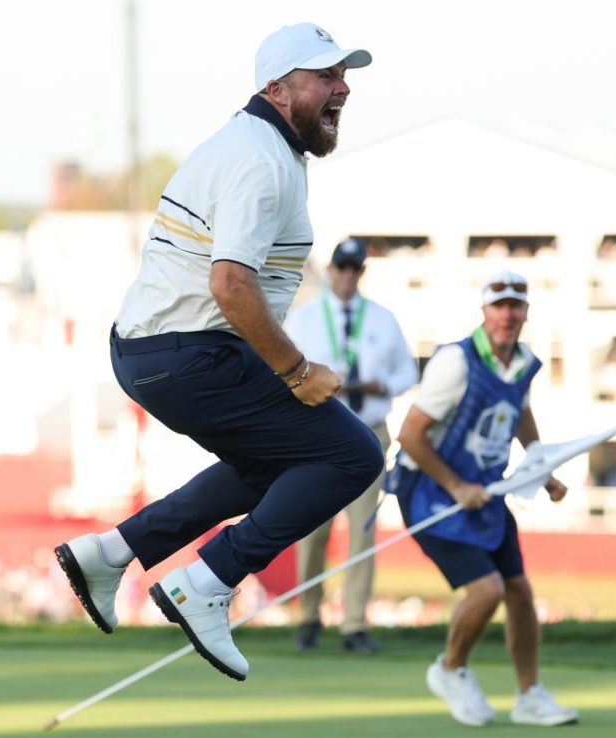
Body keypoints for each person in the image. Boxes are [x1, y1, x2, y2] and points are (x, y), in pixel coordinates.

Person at [53, 23, 380, 683]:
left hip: (157, 351)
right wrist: (297, 372)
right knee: (353, 455)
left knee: (276, 465)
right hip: (186, 354)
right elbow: (230, 284)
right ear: (277, 89)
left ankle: (110, 553)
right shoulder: (261, 160)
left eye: (343, 75)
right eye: (325, 76)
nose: (342, 88)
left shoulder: (263, 145)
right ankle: (208, 582)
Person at [386, 270, 579, 726]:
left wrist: (543, 469)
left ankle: (529, 695)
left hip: (486, 492)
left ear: (526, 312)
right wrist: (456, 485)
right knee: (487, 590)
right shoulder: (456, 361)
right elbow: (410, 435)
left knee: (519, 591)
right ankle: (450, 668)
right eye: (499, 305)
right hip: (429, 493)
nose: (507, 315)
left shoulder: (523, 363)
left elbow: (519, 412)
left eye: (515, 305)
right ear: (485, 311)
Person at [282, 237, 418, 653]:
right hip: (319, 431)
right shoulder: (305, 318)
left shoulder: (382, 319)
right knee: (312, 529)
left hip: (369, 428)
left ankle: (354, 623)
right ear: (331, 270)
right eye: (341, 266)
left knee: (362, 530)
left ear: (361, 272)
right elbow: (283, 370)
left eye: (354, 267)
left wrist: (383, 386)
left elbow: (408, 372)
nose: (347, 274)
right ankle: (309, 617)